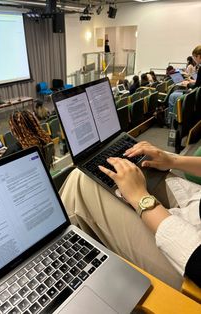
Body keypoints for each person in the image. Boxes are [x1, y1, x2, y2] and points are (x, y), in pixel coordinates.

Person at [60, 141, 201, 289]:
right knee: (139, 170)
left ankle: (59, 277)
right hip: (195, 204)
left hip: (190, 260)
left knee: (80, 181)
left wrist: (140, 197)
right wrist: (173, 160)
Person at [167, 45, 201, 125]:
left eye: (194, 58)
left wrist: (188, 84)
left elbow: (197, 86)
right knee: (177, 91)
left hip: (196, 96)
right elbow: (199, 83)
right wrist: (191, 83)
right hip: (197, 94)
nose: (194, 60)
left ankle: (171, 121)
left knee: (173, 95)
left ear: (198, 56)